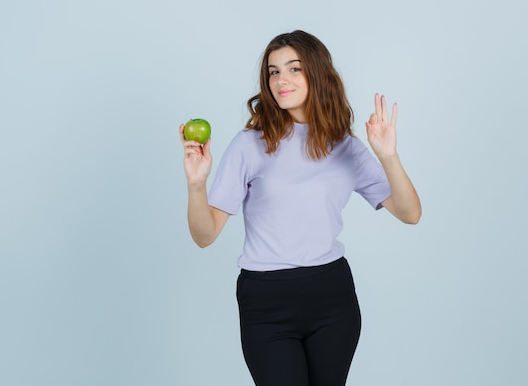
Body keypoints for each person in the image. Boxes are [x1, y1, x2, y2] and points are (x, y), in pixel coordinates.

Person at [179, 30, 421, 386]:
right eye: (273, 72)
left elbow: (410, 212)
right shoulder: (249, 145)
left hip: (332, 294)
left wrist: (388, 157)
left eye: (294, 68)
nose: (281, 80)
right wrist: (196, 184)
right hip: (266, 299)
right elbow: (204, 236)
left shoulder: (345, 146)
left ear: (317, 73)